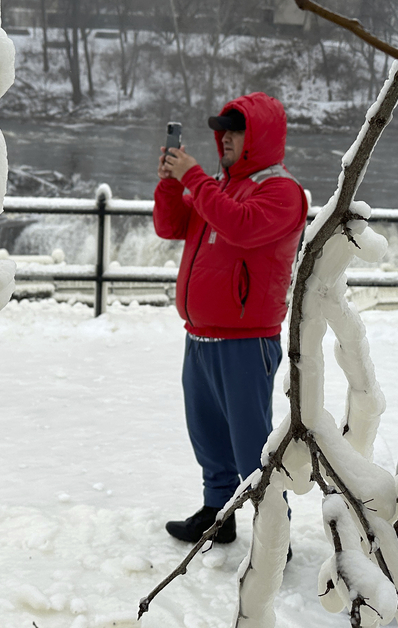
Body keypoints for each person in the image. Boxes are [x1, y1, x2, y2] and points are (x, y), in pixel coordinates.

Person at [152, 91, 307, 544]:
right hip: (200, 336)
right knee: (208, 436)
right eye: (222, 130)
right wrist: (169, 183)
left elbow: (239, 225)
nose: (226, 139)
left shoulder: (282, 191)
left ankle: (273, 534)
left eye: (235, 130)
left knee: (253, 446)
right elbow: (169, 226)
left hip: (247, 341)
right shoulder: (215, 186)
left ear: (259, 136)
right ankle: (218, 514)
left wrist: (195, 178)